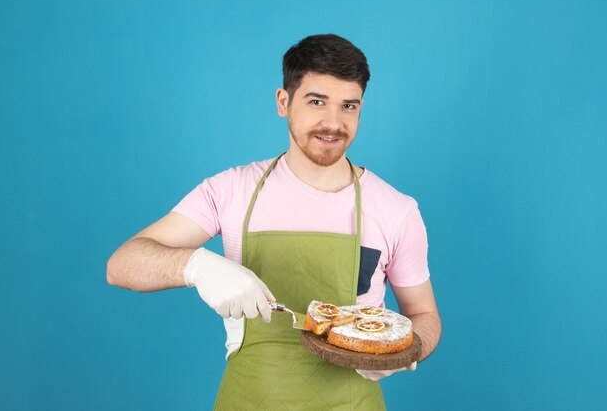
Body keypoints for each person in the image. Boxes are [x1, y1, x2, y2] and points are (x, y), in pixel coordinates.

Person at [107, 33, 441, 410]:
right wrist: (195, 265)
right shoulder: (232, 189)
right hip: (249, 398)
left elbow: (424, 315)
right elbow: (122, 264)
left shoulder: (396, 209)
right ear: (284, 102)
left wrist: (406, 351)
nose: (333, 123)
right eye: (317, 102)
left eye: (349, 106)